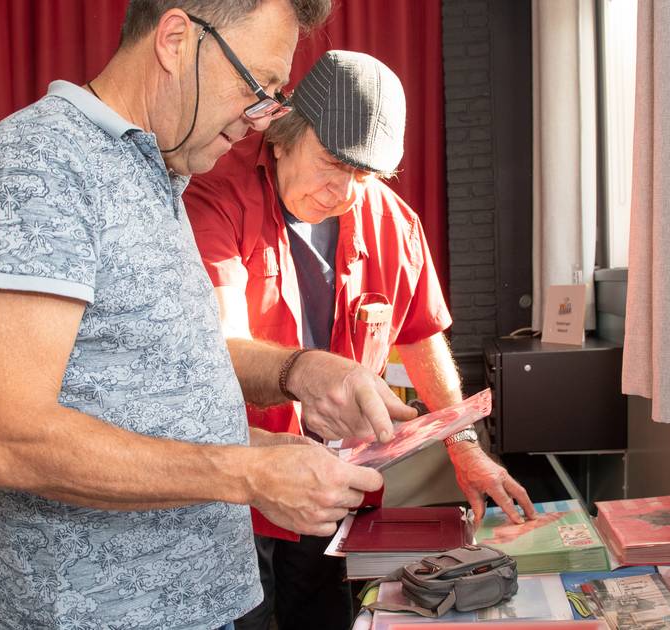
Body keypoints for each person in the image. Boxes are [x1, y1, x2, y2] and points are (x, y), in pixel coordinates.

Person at [0, 3, 421, 629]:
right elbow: (10, 440)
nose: (261, 118)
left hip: (198, 602)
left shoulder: (154, 173)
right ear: (174, 40)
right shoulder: (38, 165)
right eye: (257, 86)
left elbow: (150, 395)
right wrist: (248, 472)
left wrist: (291, 395)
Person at [184, 50, 537, 630]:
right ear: (282, 134)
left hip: (333, 484)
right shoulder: (214, 198)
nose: (343, 192)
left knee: (325, 619)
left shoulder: (392, 221)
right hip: (236, 483)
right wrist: (306, 373)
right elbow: (218, 343)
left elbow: (421, 337)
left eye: (365, 175)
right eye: (331, 163)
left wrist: (464, 446)